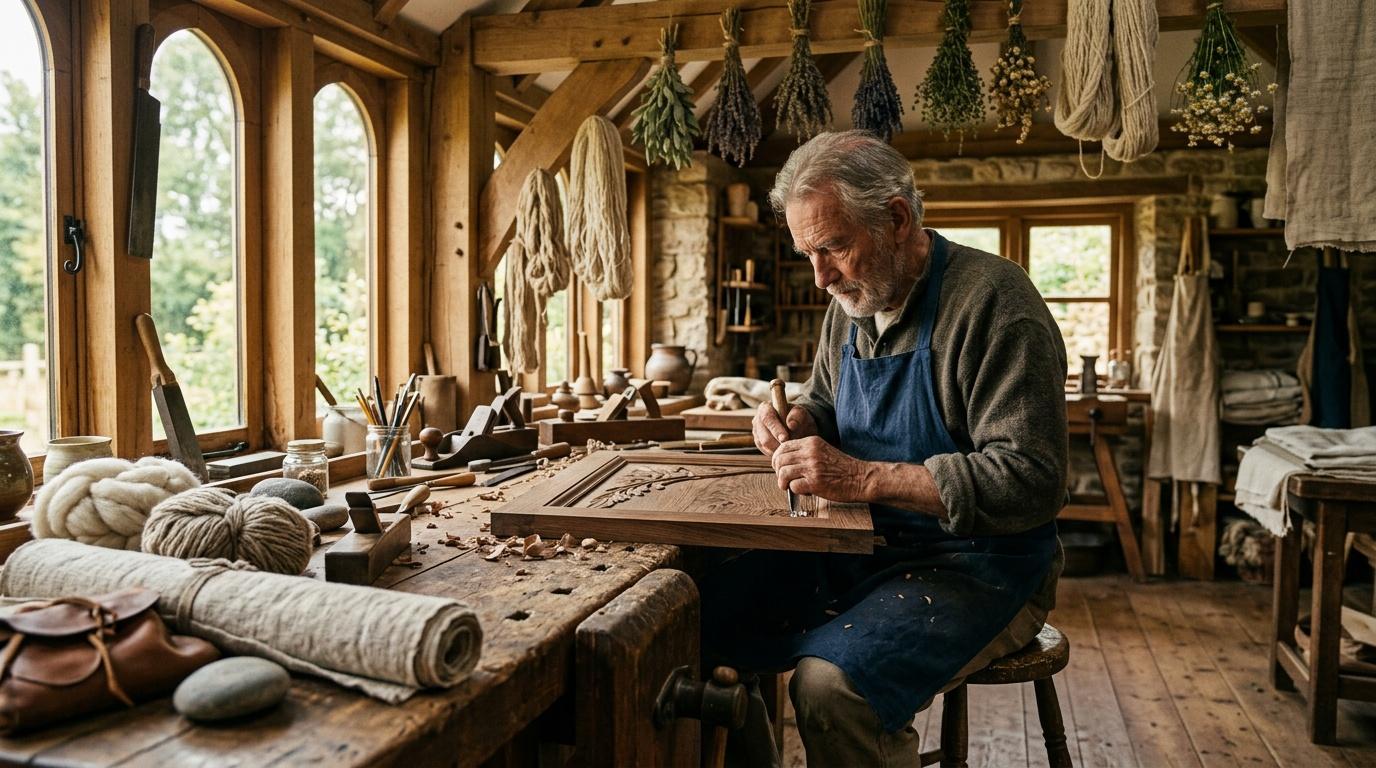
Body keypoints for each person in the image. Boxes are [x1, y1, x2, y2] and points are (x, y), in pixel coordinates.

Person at [698, 130, 1068, 767]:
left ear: (896, 219)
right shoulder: (849, 305)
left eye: (834, 248)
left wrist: (861, 480)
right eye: (808, 254)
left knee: (831, 688)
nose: (821, 278)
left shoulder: (995, 303)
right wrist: (799, 421)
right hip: (860, 548)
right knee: (698, 617)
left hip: (982, 564)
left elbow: (1030, 481)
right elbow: (823, 401)